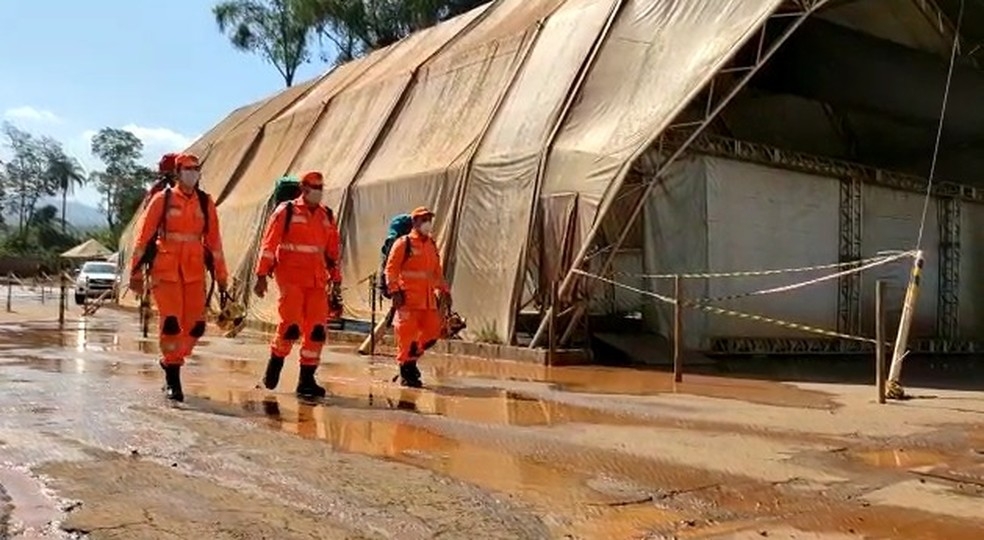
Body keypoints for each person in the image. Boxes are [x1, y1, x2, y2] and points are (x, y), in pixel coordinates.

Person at [129, 153, 228, 402]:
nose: (192, 173)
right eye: (187, 169)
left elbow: (214, 243)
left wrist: (222, 275)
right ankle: (173, 376)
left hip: (194, 271)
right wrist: (135, 272)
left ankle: (172, 360)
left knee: (196, 325)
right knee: (171, 323)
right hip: (166, 269)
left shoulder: (206, 203)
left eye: (196, 169)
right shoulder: (162, 200)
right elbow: (143, 240)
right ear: (177, 172)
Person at [253, 171, 341, 398]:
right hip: (290, 278)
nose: (319, 191)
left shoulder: (327, 216)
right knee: (290, 326)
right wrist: (261, 275)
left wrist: (337, 281)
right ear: (304, 188)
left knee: (317, 330)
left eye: (321, 186)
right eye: (314, 186)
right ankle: (274, 366)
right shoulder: (286, 211)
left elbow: (332, 253)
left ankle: (307, 380)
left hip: (317, 280)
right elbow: (269, 244)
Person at [384, 206, 450, 388]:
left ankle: (410, 361)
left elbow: (435, 273)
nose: (427, 222)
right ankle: (406, 371)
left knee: (433, 333)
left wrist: (445, 290)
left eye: (429, 218)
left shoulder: (431, 245)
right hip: (408, 301)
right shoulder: (403, 243)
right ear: (414, 222)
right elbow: (390, 270)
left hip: (428, 301)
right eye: (423, 219)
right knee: (406, 338)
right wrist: (395, 291)